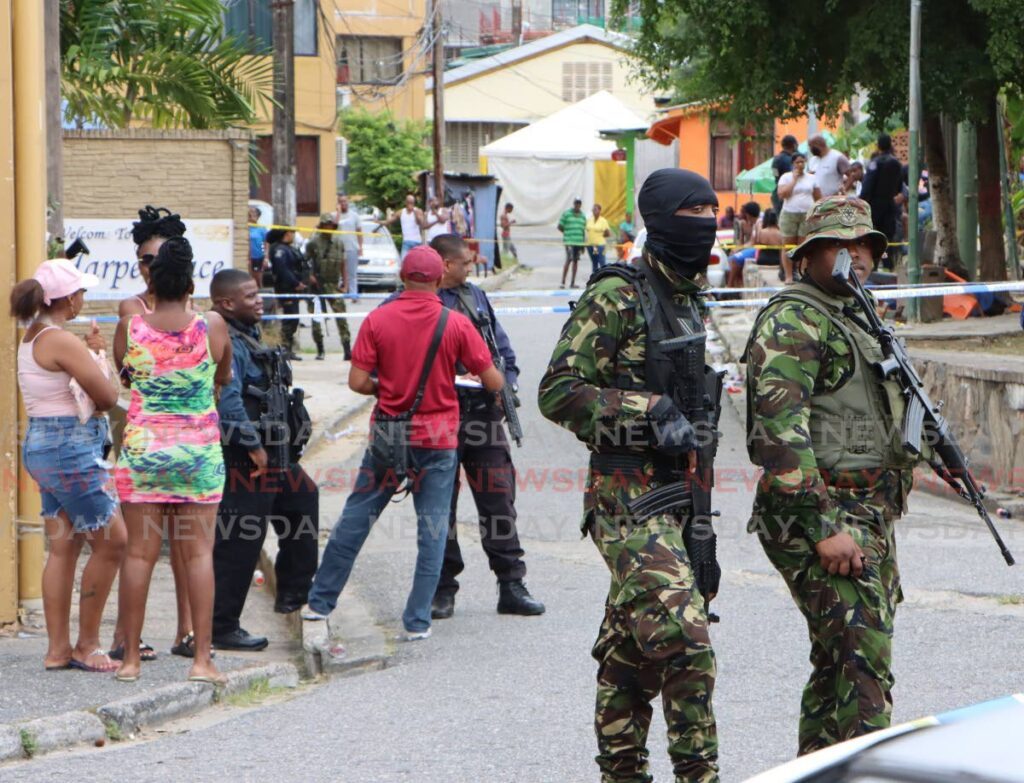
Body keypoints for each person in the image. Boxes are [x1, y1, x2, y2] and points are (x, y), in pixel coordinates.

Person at [539, 168, 723, 783]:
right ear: (661, 220)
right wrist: (647, 409)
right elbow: (558, 391)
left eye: (711, 214)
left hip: (682, 493)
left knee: (630, 650)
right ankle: (700, 775)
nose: (705, 227)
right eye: (693, 215)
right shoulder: (617, 294)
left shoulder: (690, 296)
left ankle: (621, 772)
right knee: (685, 637)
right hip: (627, 496)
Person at [743, 196, 919, 756]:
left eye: (864, 244)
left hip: (867, 512)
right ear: (810, 257)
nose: (856, 256)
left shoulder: (857, 316)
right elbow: (778, 435)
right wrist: (823, 528)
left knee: (838, 664)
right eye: (839, 247)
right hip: (821, 514)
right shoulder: (796, 318)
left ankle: (817, 770)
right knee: (864, 664)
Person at [303, 246, 504, 641]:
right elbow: (493, 380)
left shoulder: (378, 319)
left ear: (402, 275)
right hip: (439, 440)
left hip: (388, 435)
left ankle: (319, 603)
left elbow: (359, 383)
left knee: (355, 519)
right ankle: (417, 621)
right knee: (432, 531)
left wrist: (389, 386)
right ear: (437, 278)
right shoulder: (456, 323)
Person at [113, 237, 232, 684]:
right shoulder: (212, 325)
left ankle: (130, 661)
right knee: (199, 553)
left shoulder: (130, 325)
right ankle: (202, 660)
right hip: (198, 451)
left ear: (152, 282)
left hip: (144, 450)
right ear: (190, 284)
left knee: (139, 555)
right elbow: (223, 375)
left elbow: (126, 375)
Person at [13, 260, 126, 674]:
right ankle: (87, 645)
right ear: (66, 299)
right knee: (113, 542)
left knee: (64, 546)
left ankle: (58, 649)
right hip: (70, 447)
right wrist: (96, 356)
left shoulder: (35, 335)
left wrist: (91, 353)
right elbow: (108, 397)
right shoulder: (60, 340)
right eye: (80, 293)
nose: (84, 299)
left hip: (45, 444)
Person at [426, 234, 545, 620]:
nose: (470, 268)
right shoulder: (419, 303)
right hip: (438, 416)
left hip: (482, 414)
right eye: (464, 262)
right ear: (444, 264)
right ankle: (442, 588)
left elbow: (502, 349)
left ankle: (511, 584)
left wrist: (504, 381)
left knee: (498, 499)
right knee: (439, 504)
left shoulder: (476, 296)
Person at [209, 269, 320, 650]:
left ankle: (293, 593)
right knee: (240, 541)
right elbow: (227, 398)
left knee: (302, 498)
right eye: (250, 295)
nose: (259, 300)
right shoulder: (225, 336)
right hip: (247, 456)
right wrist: (252, 445)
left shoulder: (247, 332)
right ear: (226, 303)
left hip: (275, 451)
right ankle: (221, 626)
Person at [112, 205, 193, 663]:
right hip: (143, 435)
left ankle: (187, 632)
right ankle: (127, 637)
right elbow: (127, 374)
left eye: (159, 259)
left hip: (191, 437)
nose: (150, 267)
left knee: (187, 542)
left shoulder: (198, 312)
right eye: (144, 259)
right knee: (142, 545)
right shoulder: (132, 309)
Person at [304, 213, 352, 361]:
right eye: (326, 225)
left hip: (333, 285)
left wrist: (345, 283)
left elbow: (343, 264)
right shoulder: (313, 243)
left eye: (331, 225)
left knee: (341, 317)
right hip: (318, 285)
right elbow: (304, 262)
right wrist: (309, 276)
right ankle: (320, 349)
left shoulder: (338, 242)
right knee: (317, 318)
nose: (329, 228)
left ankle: (347, 349)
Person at [268, 227, 307, 360]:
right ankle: (284, 348)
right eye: (292, 233)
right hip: (287, 288)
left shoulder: (289, 248)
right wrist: (295, 283)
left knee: (293, 318)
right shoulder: (279, 250)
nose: (294, 235)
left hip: (293, 288)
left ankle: (288, 348)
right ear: (286, 234)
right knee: (290, 318)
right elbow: (282, 270)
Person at [777, 152, 816, 283]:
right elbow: (782, 194)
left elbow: (817, 196)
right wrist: (794, 179)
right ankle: (788, 275)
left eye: (802, 162)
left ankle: (802, 273)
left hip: (806, 214)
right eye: (797, 162)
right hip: (789, 213)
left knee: (803, 245)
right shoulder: (786, 177)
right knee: (788, 245)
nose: (800, 164)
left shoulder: (811, 178)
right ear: (792, 164)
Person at [861, 134, 904, 245]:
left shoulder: (875, 163)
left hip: (874, 206)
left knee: (873, 238)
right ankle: (888, 261)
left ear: (878, 146)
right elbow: (899, 186)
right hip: (890, 205)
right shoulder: (897, 163)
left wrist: (861, 201)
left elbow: (867, 185)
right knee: (888, 239)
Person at [333, 193, 362, 297]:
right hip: (337, 249)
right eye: (341, 202)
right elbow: (333, 227)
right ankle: (338, 293)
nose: (343, 203)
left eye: (345, 201)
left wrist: (360, 247)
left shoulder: (355, 216)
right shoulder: (334, 215)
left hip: (351, 248)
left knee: (352, 273)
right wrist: (338, 213)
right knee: (337, 273)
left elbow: (359, 232)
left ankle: (353, 294)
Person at [727, 201, 761, 287]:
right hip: (753, 248)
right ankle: (737, 283)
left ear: (748, 214)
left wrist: (739, 248)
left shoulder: (758, 224)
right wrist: (739, 248)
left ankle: (730, 286)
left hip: (757, 249)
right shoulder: (754, 224)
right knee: (732, 256)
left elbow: (753, 243)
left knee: (734, 259)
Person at [557, 197, 587, 288]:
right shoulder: (567, 214)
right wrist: (567, 234)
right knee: (569, 259)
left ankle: (572, 283)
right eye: (576, 203)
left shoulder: (583, 216)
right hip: (569, 241)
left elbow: (583, 230)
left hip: (579, 242)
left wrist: (583, 245)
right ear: (574, 204)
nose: (577, 205)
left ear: (580, 204)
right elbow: (560, 226)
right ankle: (563, 282)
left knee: (576, 261)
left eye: (579, 203)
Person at [809, 135, 850, 199]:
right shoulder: (812, 160)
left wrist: (844, 190)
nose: (810, 149)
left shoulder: (838, 157)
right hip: (816, 202)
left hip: (833, 202)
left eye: (811, 146)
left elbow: (852, 175)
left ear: (819, 144)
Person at [771, 134, 799, 214]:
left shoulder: (775, 160)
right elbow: (794, 176)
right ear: (794, 145)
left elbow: (775, 175)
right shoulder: (790, 160)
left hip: (777, 193)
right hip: (788, 193)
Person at [585, 203, 612, 274]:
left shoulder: (603, 221)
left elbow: (608, 233)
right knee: (594, 262)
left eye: (595, 209)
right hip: (591, 245)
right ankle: (594, 278)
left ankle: (603, 276)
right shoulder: (589, 220)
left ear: (600, 210)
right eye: (593, 210)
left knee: (601, 262)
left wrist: (600, 235)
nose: (594, 211)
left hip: (599, 245)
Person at [248, 206, 269, 286]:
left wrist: (266, 257)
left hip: (258, 256)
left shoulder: (261, 228)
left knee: (257, 279)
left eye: (254, 213)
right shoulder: (245, 227)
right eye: (250, 213)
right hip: (248, 258)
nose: (252, 215)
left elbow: (266, 243)